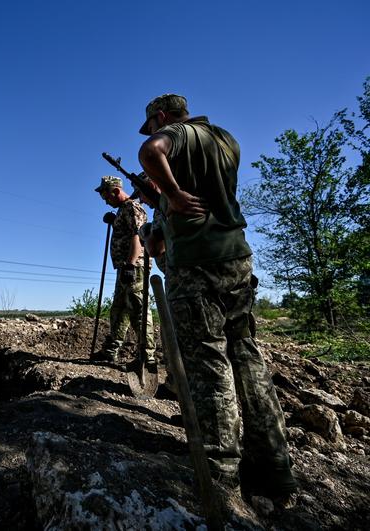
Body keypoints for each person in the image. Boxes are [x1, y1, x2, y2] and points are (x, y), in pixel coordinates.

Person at [137, 94, 296, 502]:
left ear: (160, 116)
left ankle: (221, 476)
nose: (154, 131)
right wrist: (164, 209)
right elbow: (204, 194)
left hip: (197, 267)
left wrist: (170, 194)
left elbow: (151, 151)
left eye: (152, 123)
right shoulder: (226, 140)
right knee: (246, 355)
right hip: (236, 259)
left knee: (209, 364)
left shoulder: (173, 134)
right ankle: (276, 467)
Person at [93, 176, 156, 364]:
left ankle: (147, 357)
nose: (105, 200)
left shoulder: (132, 207)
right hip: (125, 267)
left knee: (139, 310)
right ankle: (110, 351)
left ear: (115, 191)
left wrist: (130, 263)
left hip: (134, 267)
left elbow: (138, 236)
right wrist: (114, 221)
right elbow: (125, 232)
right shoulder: (123, 210)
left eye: (106, 195)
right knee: (119, 310)